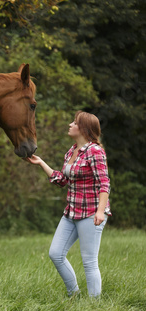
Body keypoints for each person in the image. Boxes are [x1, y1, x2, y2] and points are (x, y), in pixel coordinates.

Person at [25, 110, 111, 298]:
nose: (70, 125)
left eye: (74, 122)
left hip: (91, 213)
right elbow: (62, 180)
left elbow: (104, 183)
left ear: (84, 128)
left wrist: (100, 211)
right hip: (71, 213)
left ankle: (94, 307)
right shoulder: (72, 151)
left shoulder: (95, 151)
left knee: (89, 261)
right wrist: (41, 163)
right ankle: (74, 295)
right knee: (55, 253)